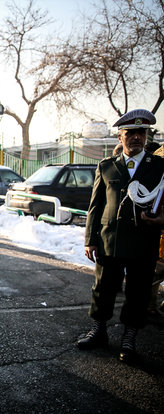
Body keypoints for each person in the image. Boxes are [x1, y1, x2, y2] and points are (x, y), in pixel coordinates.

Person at [78, 109, 164, 363]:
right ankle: (99, 330)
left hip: (143, 241)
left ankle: (129, 338)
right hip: (109, 239)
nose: (137, 137)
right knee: (103, 288)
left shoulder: (159, 166)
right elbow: (96, 205)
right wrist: (90, 239)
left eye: (141, 133)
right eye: (131, 133)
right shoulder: (106, 166)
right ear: (120, 135)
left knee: (137, 291)